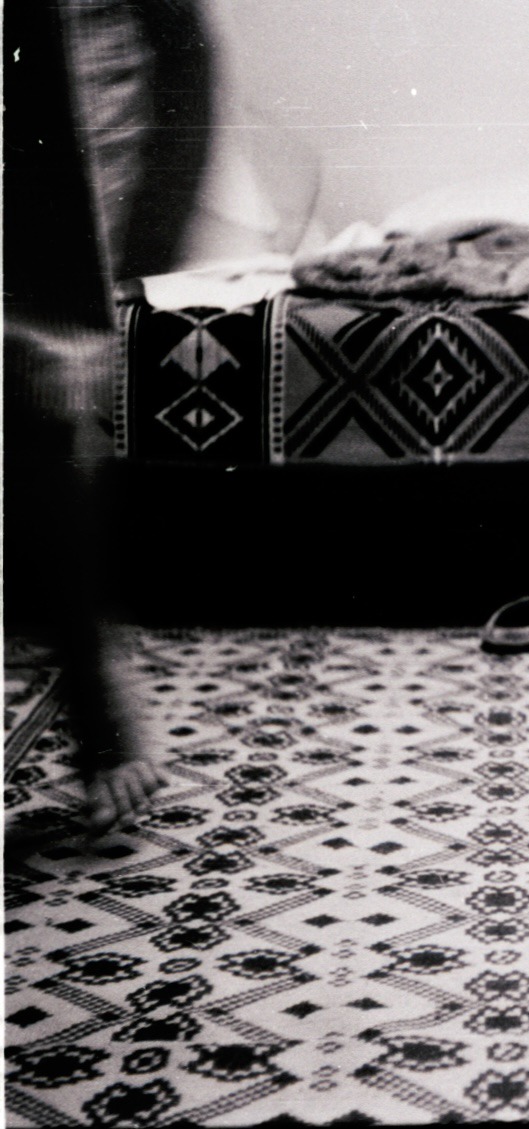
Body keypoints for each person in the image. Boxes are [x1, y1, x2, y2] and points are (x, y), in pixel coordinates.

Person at [4, 0, 214, 835]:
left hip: (62, 150)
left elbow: (183, 50)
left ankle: (100, 713)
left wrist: (126, 267)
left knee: (40, 409)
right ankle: (101, 714)